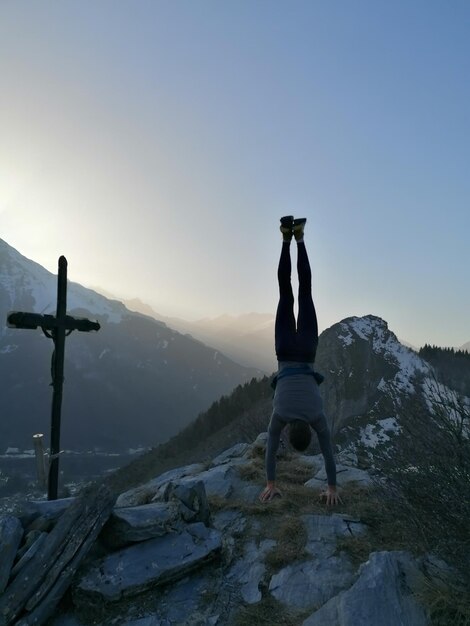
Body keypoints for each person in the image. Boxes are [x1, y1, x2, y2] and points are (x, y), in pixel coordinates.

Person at [259, 216, 341, 506]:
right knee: (286, 291)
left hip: (306, 350)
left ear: (308, 429)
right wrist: (271, 483)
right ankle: (285, 237)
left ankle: (300, 236)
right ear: (289, 432)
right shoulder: (279, 414)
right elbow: (269, 451)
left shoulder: (317, 416)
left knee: (304, 289)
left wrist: (332, 487)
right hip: (284, 350)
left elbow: (329, 453)